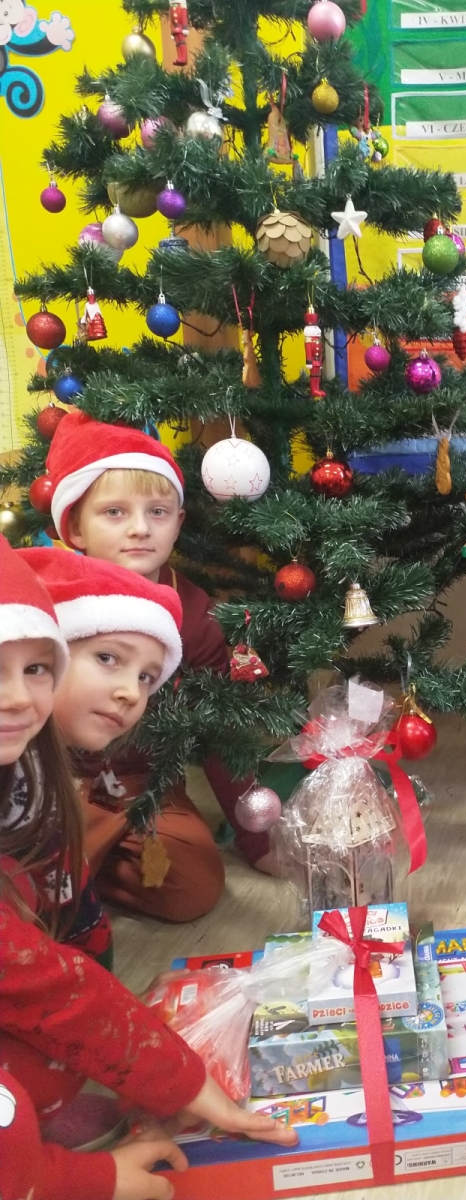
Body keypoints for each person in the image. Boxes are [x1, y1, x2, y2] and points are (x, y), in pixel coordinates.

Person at [0, 536, 297, 1200]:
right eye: (108, 659)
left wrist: (136, 1035)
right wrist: (86, 1178)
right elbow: (41, 982)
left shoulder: (33, 771)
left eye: (35, 669)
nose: (18, 697)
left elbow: (63, 953)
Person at [44, 410, 271, 923]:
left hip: (146, 788)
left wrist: (257, 839)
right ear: (74, 526)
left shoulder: (195, 614)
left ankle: (79, 867)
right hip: (53, 782)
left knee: (191, 886)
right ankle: (67, 864)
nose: (140, 529)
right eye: (115, 512)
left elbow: (219, 731)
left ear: (178, 523)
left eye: (158, 512)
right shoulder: (49, 599)